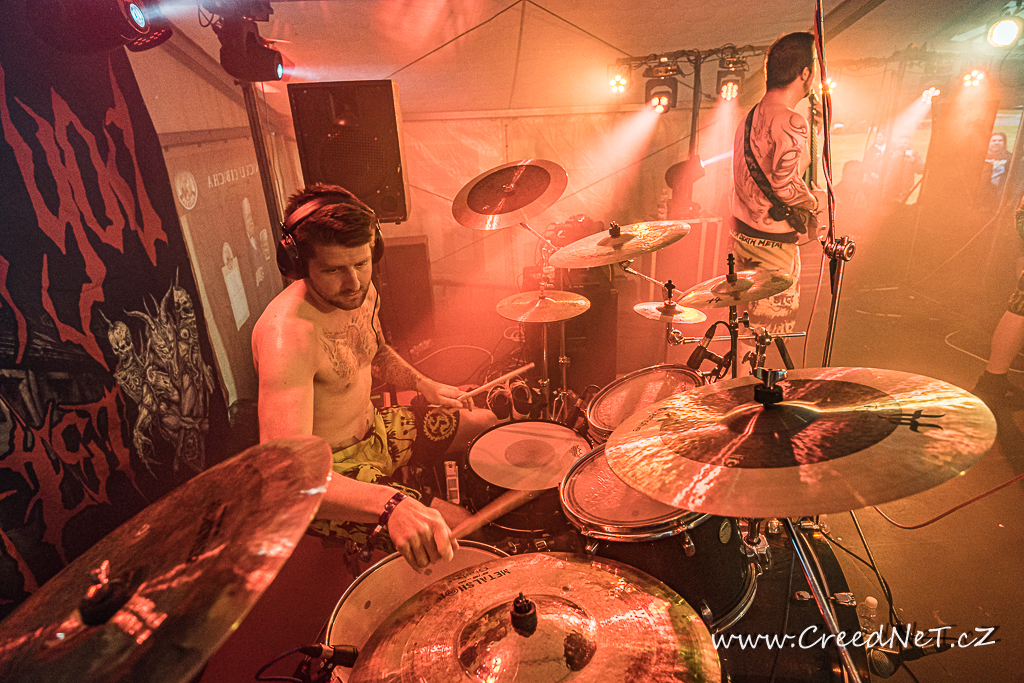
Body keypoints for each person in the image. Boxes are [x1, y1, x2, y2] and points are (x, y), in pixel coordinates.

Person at [252, 184, 496, 570]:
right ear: (298, 264)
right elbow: (289, 478)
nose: (353, 282)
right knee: (464, 532)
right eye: (333, 269)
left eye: (362, 263)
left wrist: (424, 384)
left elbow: (374, 350)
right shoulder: (288, 336)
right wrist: (391, 505)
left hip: (376, 432)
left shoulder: (360, 294)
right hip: (332, 475)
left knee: (486, 424)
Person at [731, 31, 823, 336]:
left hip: (743, 239)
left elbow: (771, 177)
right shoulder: (792, 121)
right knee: (769, 337)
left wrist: (815, 132)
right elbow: (784, 186)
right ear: (805, 73)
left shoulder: (747, 120)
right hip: (774, 249)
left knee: (744, 334)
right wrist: (815, 203)